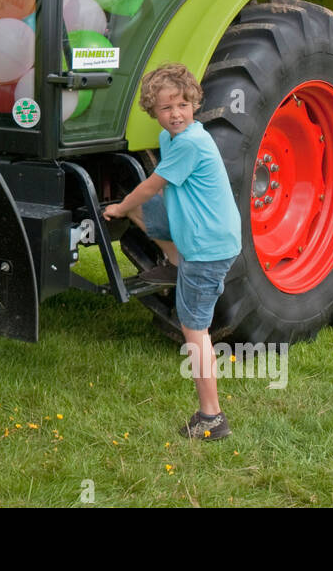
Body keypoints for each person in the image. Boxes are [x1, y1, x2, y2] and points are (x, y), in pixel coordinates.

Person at [103, 63, 241, 440]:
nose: (176, 113)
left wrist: (116, 208)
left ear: (194, 103)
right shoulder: (174, 140)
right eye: (166, 108)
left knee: (194, 329)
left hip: (207, 248)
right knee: (136, 207)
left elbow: (150, 187)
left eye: (182, 104)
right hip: (197, 236)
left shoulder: (191, 143)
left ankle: (211, 416)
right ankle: (174, 261)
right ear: (154, 112)